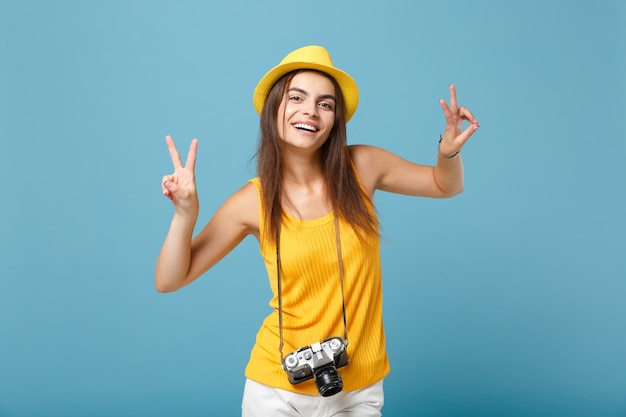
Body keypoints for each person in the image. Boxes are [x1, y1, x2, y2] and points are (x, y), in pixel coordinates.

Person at [155, 45, 479, 417]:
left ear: (335, 119)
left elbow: (445, 185)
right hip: (277, 390)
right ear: (275, 107)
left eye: (325, 104)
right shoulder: (252, 202)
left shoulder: (363, 166)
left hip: (357, 388)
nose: (310, 110)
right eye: (297, 97)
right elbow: (169, 280)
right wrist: (185, 214)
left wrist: (448, 153)